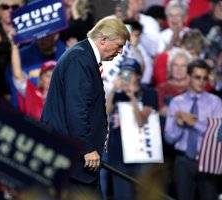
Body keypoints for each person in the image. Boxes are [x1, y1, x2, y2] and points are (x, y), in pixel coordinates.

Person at [40, 16, 129, 197]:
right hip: (73, 159)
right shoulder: (80, 58)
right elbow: (76, 109)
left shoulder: (83, 55)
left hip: (76, 160)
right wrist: (86, 148)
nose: (120, 52)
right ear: (103, 39)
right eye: (119, 45)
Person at [164, 59, 222, 200]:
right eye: (198, 77)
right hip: (183, 161)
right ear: (189, 77)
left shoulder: (216, 101)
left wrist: (193, 123)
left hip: (209, 160)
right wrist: (179, 125)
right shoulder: (176, 102)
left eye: (205, 78)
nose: (202, 81)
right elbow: (169, 138)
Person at [103, 58, 158, 199]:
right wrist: (114, 90)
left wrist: (132, 97)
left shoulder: (149, 93)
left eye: (130, 72)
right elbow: (106, 113)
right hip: (119, 155)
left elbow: (141, 121)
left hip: (142, 155)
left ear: (139, 75)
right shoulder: (116, 94)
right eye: (123, 72)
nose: (126, 75)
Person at [9, 31, 56, 120]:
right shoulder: (33, 95)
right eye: (48, 76)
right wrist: (14, 46)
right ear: (41, 79)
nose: (51, 80)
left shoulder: (65, 100)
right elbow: (18, 75)